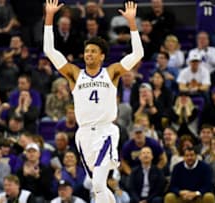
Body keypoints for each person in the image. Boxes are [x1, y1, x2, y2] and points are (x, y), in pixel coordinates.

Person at [44, 0, 143, 202]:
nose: (88, 54)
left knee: (98, 184)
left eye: (93, 51)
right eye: (87, 51)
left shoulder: (112, 72)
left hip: (105, 131)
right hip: (83, 135)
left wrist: (132, 23)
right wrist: (49, 16)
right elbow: (50, 51)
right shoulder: (74, 73)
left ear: (102, 56)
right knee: (98, 189)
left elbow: (138, 54)